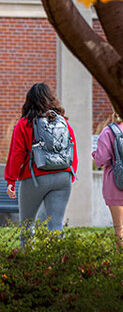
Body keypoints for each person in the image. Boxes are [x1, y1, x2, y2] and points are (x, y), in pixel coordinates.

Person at [4, 83, 78, 247]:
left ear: (29, 101)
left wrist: (10, 180)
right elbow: (72, 149)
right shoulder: (63, 122)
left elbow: (17, 154)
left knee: (27, 225)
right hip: (63, 177)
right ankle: (57, 260)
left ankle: (28, 259)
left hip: (35, 178)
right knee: (56, 226)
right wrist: (70, 174)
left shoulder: (24, 124)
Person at [92, 112, 123, 250]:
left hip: (115, 183)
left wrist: (95, 154)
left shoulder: (108, 131)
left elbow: (101, 159)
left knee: (120, 228)